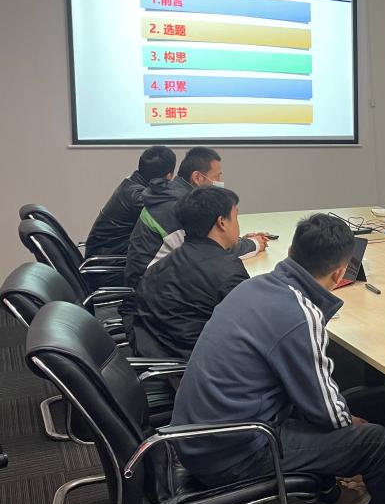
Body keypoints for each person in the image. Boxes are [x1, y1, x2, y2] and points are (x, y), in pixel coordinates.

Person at [171, 214, 385, 504]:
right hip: (233, 454)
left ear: (291, 251)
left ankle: (331, 497)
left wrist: (341, 416)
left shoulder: (252, 288)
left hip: (194, 437)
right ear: (340, 274)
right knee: (372, 439)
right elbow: (327, 412)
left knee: (335, 405)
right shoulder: (298, 313)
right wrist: (349, 423)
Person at [129, 187, 250, 360]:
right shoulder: (229, 273)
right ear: (222, 222)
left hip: (153, 350)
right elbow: (250, 329)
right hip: (192, 362)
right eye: (236, 216)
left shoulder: (163, 263)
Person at [123, 147, 265, 289]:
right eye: (217, 176)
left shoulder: (171, 193)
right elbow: (207, 252)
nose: (220, 182)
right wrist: (254, 244)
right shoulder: (181, 207)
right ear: (197, 177)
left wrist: (236, 239)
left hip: (156, 279)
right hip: (149, 288)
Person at [84, 146, 176, 286]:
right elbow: (171, 212)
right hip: (109, 269)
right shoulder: (139, 198)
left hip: (105, 260)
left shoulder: (132, 184)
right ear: (169, 176)